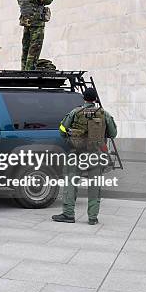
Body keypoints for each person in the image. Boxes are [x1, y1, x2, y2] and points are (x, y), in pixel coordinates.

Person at [52, 88, 117, 225]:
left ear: (84, 98)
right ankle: (92, 218)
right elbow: (113, 133)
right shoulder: (104, 114)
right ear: (95, 99)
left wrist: (69, 137)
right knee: (94, 186)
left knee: (71, 183)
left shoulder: (75, 112)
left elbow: (62, 129)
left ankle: (68, 214)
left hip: (76, 153)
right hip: (95, 154)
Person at [17, 0, 58, 70]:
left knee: (26, 48)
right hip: (36, 23)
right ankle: (29, 72)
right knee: (34, 48)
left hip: (26, 22)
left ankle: (24, 70)